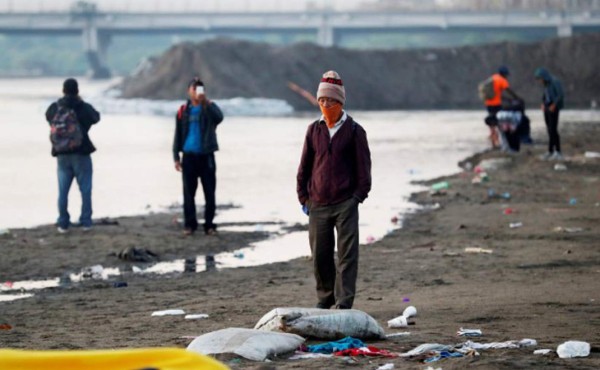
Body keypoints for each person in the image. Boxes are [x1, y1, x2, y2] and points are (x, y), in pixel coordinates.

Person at [296, 71, 372, 309]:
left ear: (340, 102)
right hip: (317, 203)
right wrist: (304, 197)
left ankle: (344, 301)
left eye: (330, 100)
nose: (325, 104)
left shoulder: (355, 131)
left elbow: (364, 170)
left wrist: (357, 197)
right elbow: (304, 166)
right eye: (321, 100)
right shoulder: (313, 130)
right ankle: (325, 299)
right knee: (320, 257)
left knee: (347, 256)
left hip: (345, 203)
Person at [45, 78, 101, 233]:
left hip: (61, 155)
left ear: (63, 90)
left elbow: (48, 118)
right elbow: (96, 117)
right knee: (85, 189)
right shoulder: (82, 107)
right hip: (81, 153)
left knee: (63, 191)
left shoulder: (55, 107)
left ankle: (63, 223)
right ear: (77, 90)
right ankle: (86, 222)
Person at [173, 77, 224, 236]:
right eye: (194, 89)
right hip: (188, 156)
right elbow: (178, 135)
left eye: (200, 89)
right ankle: (190, 225)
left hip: (206, 156)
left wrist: (205, 103)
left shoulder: (209, 107)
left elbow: (219, 118)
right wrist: (176, 157)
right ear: (189, 91)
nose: (197, 92)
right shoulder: (183, 110)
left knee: (209, 192)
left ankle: (209, 225)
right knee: (189, 193)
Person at [482, 66, 522, 148]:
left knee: (491, 123)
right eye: (507, 75)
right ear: (504, 74)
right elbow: (508, 90)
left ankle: (494, 142)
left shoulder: (493, 78)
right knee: (500, 122)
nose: (507, 76)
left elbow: (498, 93)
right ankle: (502, 141)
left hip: (488, 104)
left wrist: (506, 99)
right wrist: (517, 97)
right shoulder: (502, 80)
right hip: (496, 104)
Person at [535, 67, 565, 161]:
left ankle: (558, 151)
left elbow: (560, 94)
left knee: (553, 129)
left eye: (540, 78)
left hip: (554, 108)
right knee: (549, 129)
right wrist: (543, 103)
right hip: (547, 107)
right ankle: (551, 151)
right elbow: (545, 95)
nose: (539, 81)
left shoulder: (555, 82)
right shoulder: (546, 84)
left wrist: (554, 105)